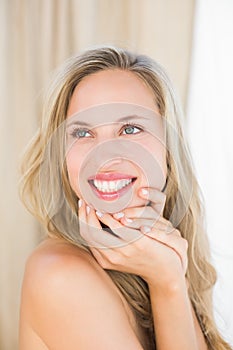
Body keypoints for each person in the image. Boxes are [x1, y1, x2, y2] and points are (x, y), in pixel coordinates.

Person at [18, 45, 231, 350]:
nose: (104, 157)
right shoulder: (60, 274)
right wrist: (168, 283)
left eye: (130, 129)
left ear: (169, 149)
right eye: (82, 133)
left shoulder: (157, 254)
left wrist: (168, 275)